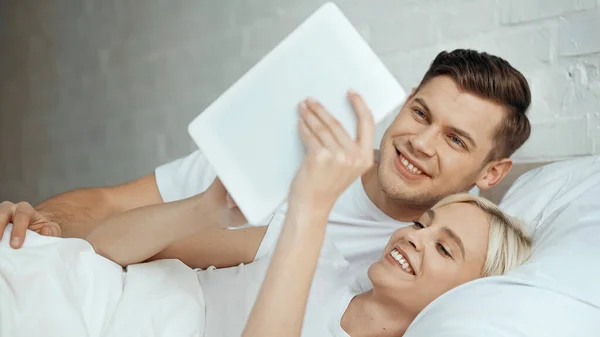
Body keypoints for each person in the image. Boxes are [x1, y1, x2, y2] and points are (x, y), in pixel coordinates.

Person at [0, 48, 532, 291]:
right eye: (420, 113)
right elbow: (108, 206)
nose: (419, 143)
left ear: (491, 174)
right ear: (405, 100)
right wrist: (37, 221)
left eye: (456, 139)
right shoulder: (284, 151)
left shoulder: (422, 267)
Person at [80, 95, 532, 336]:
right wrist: (208, 207)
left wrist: (310, 207)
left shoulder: (305, 232)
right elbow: (105, 245)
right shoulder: (315, 256)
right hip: (83, 298)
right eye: (421, 225)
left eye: (445, 249)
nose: (414, 238)